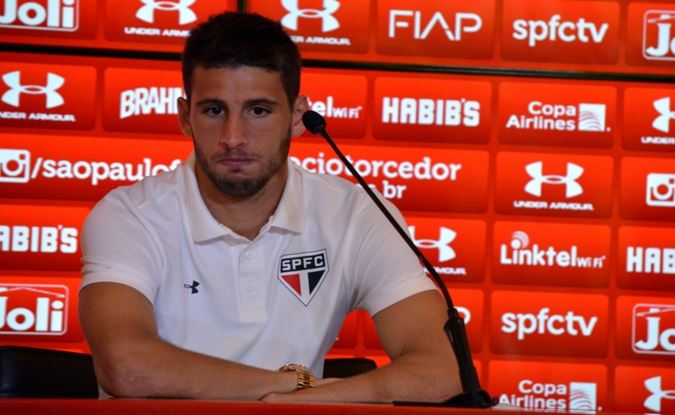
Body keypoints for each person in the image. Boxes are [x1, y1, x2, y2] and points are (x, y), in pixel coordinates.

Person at [79, 11, 460, 403]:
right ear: (185, 117)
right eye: (214, 110)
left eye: (258, 110)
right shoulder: (130, 214)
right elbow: (127, 369)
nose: (233, 137)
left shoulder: (356, 214)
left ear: (297, 117)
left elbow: (443, 372)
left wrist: (303, 401)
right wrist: (297, 385)